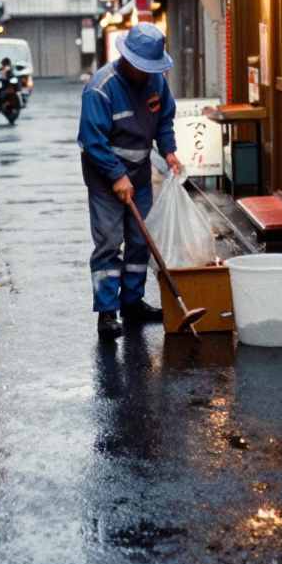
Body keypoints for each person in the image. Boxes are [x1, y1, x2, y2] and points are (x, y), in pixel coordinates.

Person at [77, 22, 181, 338]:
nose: (146, 73)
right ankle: (107, 312)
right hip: (105, 179)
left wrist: (169, 151)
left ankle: (132, 303)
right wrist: (116, 175)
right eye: (142, 67)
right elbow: (91, 140)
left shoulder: (156, 83)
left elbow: (164, 119)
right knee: (109, 243)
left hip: (139, 175)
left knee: (140, 240)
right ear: (127, 59)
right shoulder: (100, 88)